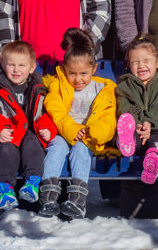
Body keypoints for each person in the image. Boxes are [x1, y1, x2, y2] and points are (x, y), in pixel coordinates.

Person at [38, 29, 117, 219]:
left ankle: (77, 201)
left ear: (94, 69)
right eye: (72, 73)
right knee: (56, 148)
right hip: (63, 132)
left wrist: (93, 132)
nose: (78, 79)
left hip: (87, 138)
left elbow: (108, 118)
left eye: (83, 73)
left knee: (80, 151)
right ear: (64, 68)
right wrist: (72, 129)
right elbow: (54, 108)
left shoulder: (103, 89)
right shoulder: (58, 85)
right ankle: (48, 197)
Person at [0, 41, 57, 211]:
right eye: (11, 65)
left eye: (22, 65)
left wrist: (47, 129)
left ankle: (32, 182)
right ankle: (5, 189)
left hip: (28, 132)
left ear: (31, 67)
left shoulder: (36, 86)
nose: (16, 70)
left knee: (34, 145)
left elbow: (43, 113)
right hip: (6, 131)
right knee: (5, 150)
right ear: (3, 65)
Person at [115, 35, 158, 184]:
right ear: (129, 65)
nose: (140, 66)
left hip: (157, 128)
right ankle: (126, 142)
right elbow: (124, 108)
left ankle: (154, 159)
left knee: (157, 140)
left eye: (146, 61)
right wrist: (138, 124)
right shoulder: (125, 86)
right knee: (128, 128)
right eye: (135, 62)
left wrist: (149, 123)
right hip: (135, 128)